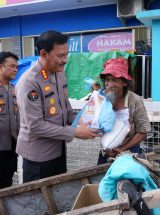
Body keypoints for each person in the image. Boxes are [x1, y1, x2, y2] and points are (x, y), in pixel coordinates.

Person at [15, 30, 100, 183]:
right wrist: (74, 132)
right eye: (60, 56)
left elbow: (65, 108)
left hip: (58, 151)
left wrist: (82, 121)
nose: (65, 60)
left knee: (59, 194)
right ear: (43, 54)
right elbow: (35, 126)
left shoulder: (59, 73)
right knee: (38, 203)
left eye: (66, 55)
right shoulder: (30, 82)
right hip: (38, 157)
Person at [97, 58, 151, 164]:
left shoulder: (135, 100)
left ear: (124, 82)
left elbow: (143, 132)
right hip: (106, 152)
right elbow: (92, 122)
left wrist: (122, 148)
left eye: (114, 80)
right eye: (107, 80)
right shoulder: (101, 98)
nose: (110, 84)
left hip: (129, 153)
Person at [0, 51, 19, 188]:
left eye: (16, 67)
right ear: (1, 67)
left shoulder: (13, 89)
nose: (16, 69)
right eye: (12, 66)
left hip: (11, 146)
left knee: (7, 182)